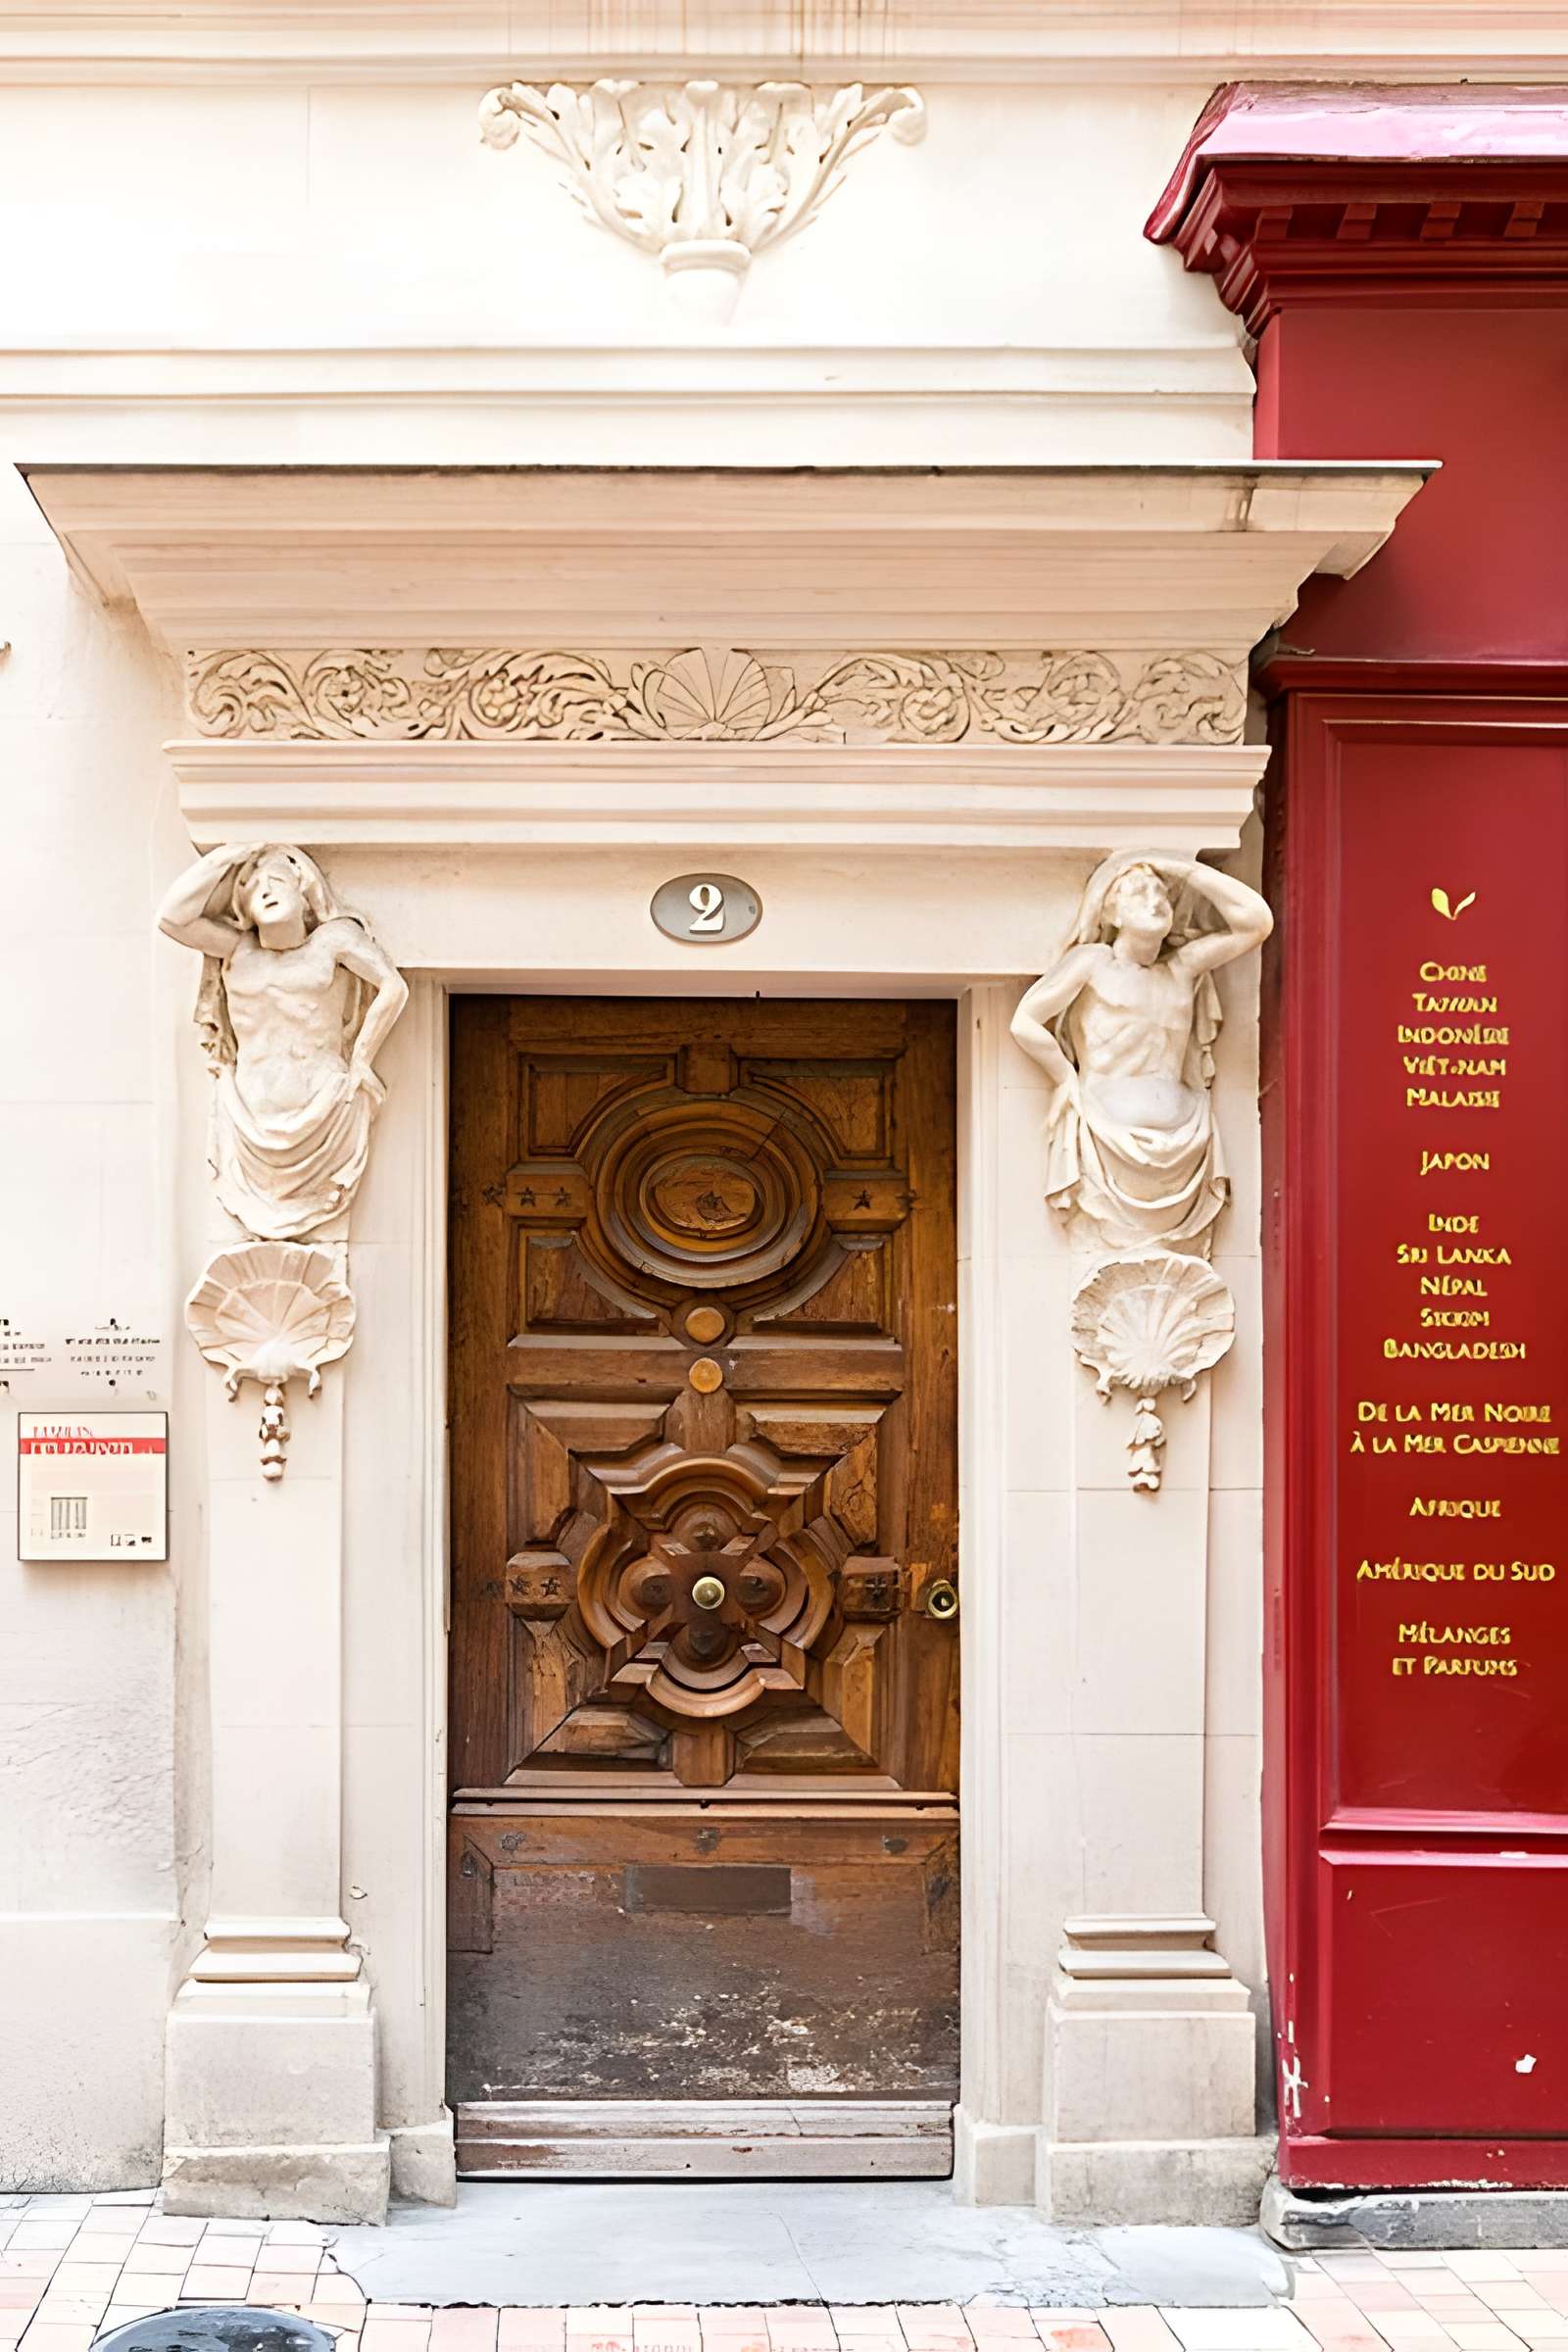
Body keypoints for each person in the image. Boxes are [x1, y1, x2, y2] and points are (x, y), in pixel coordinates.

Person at [1009, 852, 1273, 1250]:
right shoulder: (1093, 962)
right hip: (1109, 1134)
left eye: (1161, 893)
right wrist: (1064, 1077)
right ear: (1110, 912)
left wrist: (1183, 869)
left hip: (1186, 1138)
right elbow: (1025, 1021)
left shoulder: (1183, 968)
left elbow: (1257, 923)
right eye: (1138, 892)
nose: (1154, 900)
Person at [157, 841, 409, 1241]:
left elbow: (392, 987)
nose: (267, 892)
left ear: (303, 889)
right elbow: (172, 919)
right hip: (247, 1119)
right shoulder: (236, 950)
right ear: (244, 910)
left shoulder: (332, 942)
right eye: (254, 890)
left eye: (276, 881)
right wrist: (229, 854)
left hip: (324, 1110)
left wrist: (362, 1059)